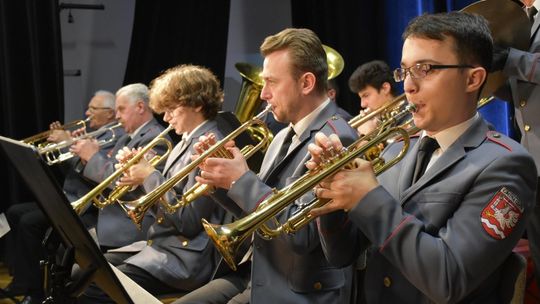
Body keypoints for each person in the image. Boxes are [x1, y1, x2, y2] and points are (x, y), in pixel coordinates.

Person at [308, 12, 537, 303]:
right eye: (404, 71)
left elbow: (448, 278)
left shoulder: (506, 163)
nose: (409, 86)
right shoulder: (398, 147)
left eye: (425, 69)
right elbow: (341, 254)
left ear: (472, 78)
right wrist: (332, 195)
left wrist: (368, 198)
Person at [175, 28, 358, 304]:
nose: (263, 94)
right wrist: (221, 181)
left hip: (299, 291)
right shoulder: (283, 134)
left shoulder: (336, 137)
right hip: (262, 274)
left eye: (271, 82)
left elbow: (304, 235)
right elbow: (259, 213)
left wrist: (241, 181)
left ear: (306, 83)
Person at [77, 64, 231, 302]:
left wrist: (149, 176)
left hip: (185, 258)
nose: (166, 118)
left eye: (171, 109)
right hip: (160, 246)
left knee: (94, 286)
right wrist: (135, 173)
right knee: (80, 272)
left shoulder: (209, 146)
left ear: (197, 104)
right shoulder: (182, 142)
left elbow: (188, 222)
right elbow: (163, 196)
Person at [4, 90, 122, 304]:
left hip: (86, 205)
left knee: (29, 222)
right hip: (68, 196)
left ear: (110, 114)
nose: (87, 112)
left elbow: (96, 177)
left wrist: (69, 144)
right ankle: (22, 278)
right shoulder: (93, 135)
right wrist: (58, 149)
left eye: (93, 109)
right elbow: (71, 170)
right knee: (14, 212)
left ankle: (35, 290)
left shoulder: (115, 136)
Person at [71, 83, 170, 250]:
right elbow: (112, 173)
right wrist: (89, 155)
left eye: (121, 109)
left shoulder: (154, 138)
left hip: (127, 226)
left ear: (140, 107)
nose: (116, 116)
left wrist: (93, 156)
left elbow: (122, 181)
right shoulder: (126, 138)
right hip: (109, 218)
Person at [492, 0, 540, 290]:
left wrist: (509, 59)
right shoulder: (520, 20)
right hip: (534, 160)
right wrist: (493, 81)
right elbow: (524, 96)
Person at [348, 60, 400, 135]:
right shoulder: (380, 120)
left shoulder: (409, 115)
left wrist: (368, 136)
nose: (362, 104)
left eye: (366, 95)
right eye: (361, 98)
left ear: (385, 88)